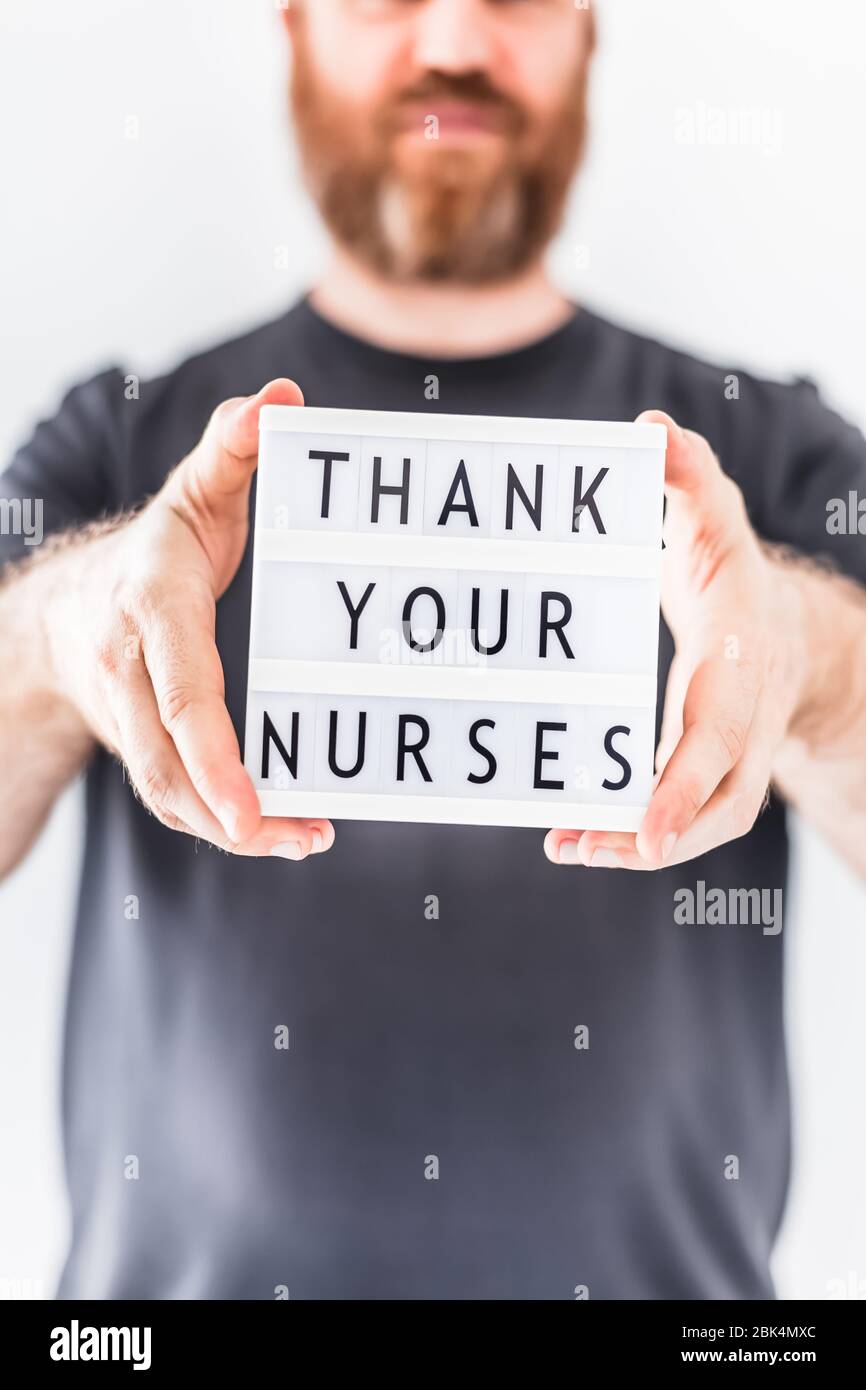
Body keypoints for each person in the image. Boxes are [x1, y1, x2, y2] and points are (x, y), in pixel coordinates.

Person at [1, 0, 865, 1301]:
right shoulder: (122, 445)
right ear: (293, 29)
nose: (455, 37)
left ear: (587, 33)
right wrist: (67, 634)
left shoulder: (773, 451)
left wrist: (804, 657)